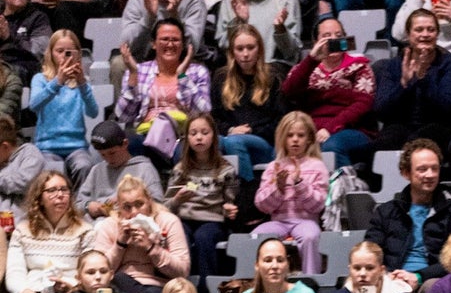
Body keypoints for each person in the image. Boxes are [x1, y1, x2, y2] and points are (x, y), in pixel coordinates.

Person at [115, 19, 212, 171]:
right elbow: (123, 116)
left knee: (186, 153)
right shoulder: (138, 71)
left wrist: (182, 77)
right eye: (165, 39)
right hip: (146, 132)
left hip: (182, 134)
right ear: (154, 44)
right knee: (130, 144)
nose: (170, 44)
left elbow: (204, 112)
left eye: (175, 40)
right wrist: (134, 76)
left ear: (183, 44)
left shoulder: (198, 72)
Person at [279, 16, 375, 168]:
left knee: (331, 146)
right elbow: (288, 91)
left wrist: (330, 128)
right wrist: (311, 60)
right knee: (283, 149)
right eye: (326, 36)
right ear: (316, 42)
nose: (333, 41)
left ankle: (346, 188)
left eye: (338, 36)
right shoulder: (304, 68)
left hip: (351, 129)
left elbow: (363, 104)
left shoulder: (359, 66)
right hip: (309, 129)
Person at [164, 114, 240, 293]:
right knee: (180, 237)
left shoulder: (225, 169)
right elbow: (166, 207)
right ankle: (179, 291)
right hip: (184, 218)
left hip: (212, 220)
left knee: (204, 238)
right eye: (194, 133)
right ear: (186, 139)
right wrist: (177, 199)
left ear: (213, 137)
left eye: (204, 133)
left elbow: (229, 204)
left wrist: (229, 210)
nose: (199, 137)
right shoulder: (181, 169)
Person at [370, 10, 451, 157]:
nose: (425, 34)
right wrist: (403, 85)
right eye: (419, 30)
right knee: (381, 145)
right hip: (400, 125)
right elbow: (381, 111)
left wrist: (423, 80)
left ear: (437, 34)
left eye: (431, 29)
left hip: (439, 127)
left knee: (418, 143)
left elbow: (450, 108)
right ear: (408, 35)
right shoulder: (393, 65)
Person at [365, 139, 451, 284]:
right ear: (406, 173)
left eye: (434, 168)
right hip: (390, 280)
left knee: (431, 287)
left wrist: (419, 277)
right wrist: (386, 276)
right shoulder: (386, 212)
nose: (430, 175)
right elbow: (370, 252)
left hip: (432, 283)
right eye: (422, 169)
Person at [94, 175, 191, 293]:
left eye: (139, 204)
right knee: (120, 279)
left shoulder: (168, 221)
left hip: (158, 287)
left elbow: (182, 271)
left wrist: (152, 248)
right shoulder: (109, 225)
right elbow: (100, 272)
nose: (134, 212)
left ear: (149, 201)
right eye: (127, 207)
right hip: (119, 288)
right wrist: (120, 244)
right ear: (119, 207)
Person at [5, 170, 92, 293]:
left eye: (64, 189)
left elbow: (91, 270)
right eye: (52, 190)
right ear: (39, 198)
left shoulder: (85, 230)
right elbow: (14, 270)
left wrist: (71, 284)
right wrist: (23, 290)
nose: (60, 195)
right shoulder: (23, 230)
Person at [252, 111, 328, 278]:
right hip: (278, 221)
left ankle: (311, 280)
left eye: (300, 135)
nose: (295, 139)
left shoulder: (317, 166)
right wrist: (278, 189)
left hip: (306, 221)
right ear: (282, 139)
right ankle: (256, 284)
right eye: (290, 135)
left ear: (309, 138)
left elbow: (318, 205)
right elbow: (261, 205)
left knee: (311, 236)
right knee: (255, 237)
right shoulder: (274, 167)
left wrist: (299, 183)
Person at [212, 22, 282, 186]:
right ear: (232, 52)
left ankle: (247, 192)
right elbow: (214, 118)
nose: (245, 54)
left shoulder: (273, 76)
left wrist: (251, 130)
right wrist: (231, 130)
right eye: (240, 49)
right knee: (208, 143)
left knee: (233, 142)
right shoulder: (221, 78)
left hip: (264, 143)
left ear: (259, 50)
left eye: (250, 48)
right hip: (230, 136)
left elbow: (280, 122)